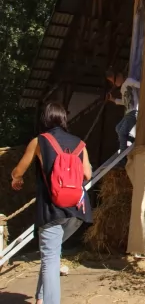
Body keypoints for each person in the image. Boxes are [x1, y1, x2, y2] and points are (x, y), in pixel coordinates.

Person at [11, 102, 93, 304]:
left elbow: (18, 171)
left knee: (50, 259)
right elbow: (87, 175)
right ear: (64, 119)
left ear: (45, 119)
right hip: (77, 212)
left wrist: (16, 179)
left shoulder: (39, 141)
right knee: (52, 254)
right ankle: (41, 298)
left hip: (51, 211)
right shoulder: (80, 144)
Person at [106, 69, 140, 155]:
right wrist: (113, 99)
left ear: (119, 76)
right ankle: (126, 144)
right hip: (128, 113)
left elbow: (140, 85)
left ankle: (123, 152)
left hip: (133, 112)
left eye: (114, 81)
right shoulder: (122, 88)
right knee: (118, 128)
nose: (114, 84)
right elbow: (124, 102)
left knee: (122, 131)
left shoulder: (129, 81)